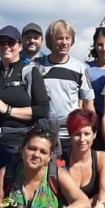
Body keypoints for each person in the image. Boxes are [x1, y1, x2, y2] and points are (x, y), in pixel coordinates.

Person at [0, 25, 50, 179]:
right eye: (1, 42)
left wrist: (8, 110)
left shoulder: (30, 72)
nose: (6, 46)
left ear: (20, 45)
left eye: (11, 42)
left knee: (16, 191)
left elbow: (42, 109)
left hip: (19, 145)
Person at [36, 19, 96, 155]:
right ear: (51, 40)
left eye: (67, 38)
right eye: (59, 38)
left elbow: (89, 103)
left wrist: (91, 129)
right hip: (45, 131)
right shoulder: (38, 67)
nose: (64, 42)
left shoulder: (80, 68)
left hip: (72, 133)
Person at [64, 109, 105, 208]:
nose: (82, 139)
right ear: (70, 135)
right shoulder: (61, 161)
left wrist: (100, 205)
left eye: (87, 134)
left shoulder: (103, 158)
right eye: (77, 134)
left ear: (94, 135)